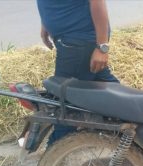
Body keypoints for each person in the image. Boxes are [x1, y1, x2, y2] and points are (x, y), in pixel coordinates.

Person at [36, 0, 118, 143]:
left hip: (79, 41)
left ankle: (54, 158)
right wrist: (45, 23)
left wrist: (102, 47)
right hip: (74, 40)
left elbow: (97, 2)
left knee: (65, 105)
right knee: (111, 91)